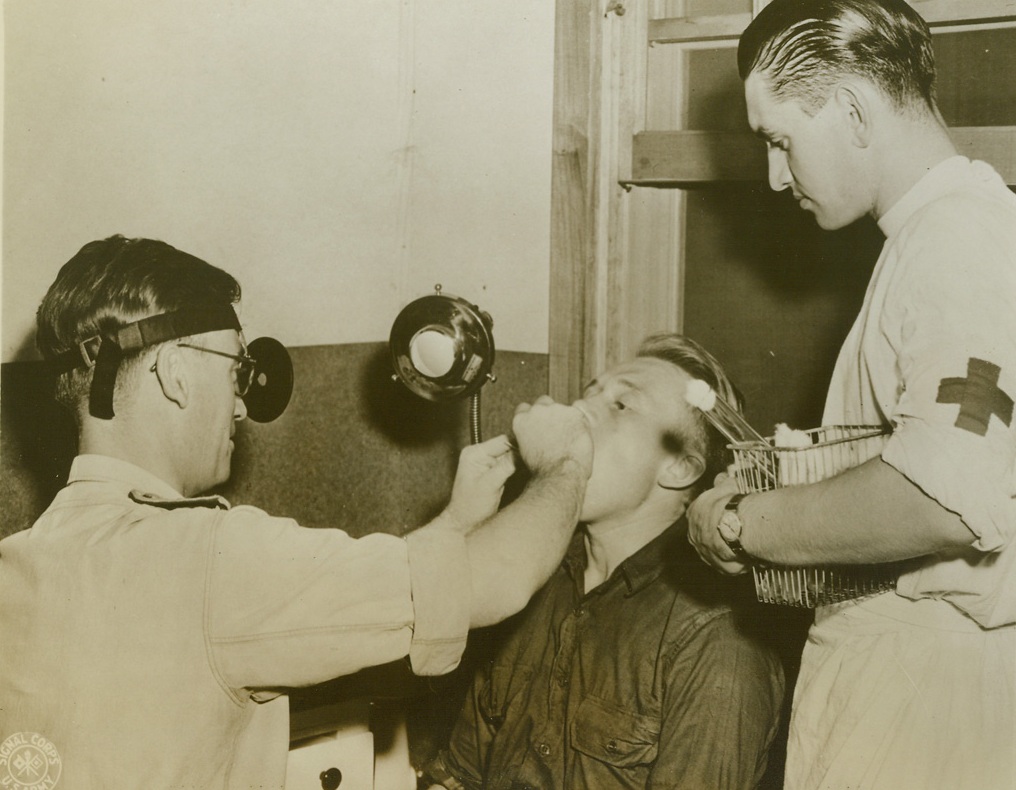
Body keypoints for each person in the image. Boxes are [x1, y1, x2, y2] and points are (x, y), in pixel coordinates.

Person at [0, 235, 594, 789]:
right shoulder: (213, 558)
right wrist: (568, 460)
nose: (239, 407)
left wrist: (456, 526)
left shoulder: (20, 561)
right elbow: (495, 582)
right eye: (235, 370)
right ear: (176, 374)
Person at [686, 2, 1016, 788]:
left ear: (855, 111)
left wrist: (745, 523)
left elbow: (946, 495)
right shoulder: (939, 236)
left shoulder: (957, 242)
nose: (773, 175)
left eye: (778, 140)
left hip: (919, 700)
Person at [422, 333, 785, 790]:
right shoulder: (529, 575)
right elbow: (460, 776)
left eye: (621, 406)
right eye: (589, 393)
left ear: (680, 467)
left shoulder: (717, 639)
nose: (577, 412)